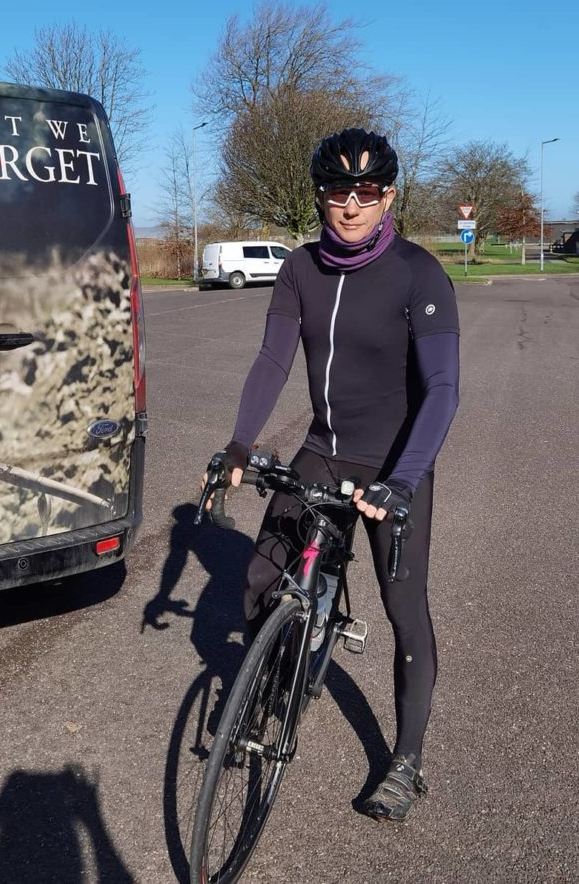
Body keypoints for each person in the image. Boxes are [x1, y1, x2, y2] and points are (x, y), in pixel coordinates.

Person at [209, 128, 460, 822]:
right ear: (318, 194)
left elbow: (443, 389)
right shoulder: (298, 269)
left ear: (387, 196)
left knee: (404, 605)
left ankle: (406, 762)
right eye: (337, 191)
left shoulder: (419, 274)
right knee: (263, 576)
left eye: (368, 191)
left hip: (392, 462)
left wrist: (403, 481)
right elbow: (271, 361)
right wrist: (240, 444)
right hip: (323, 447)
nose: (351, 205)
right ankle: (269, 689)